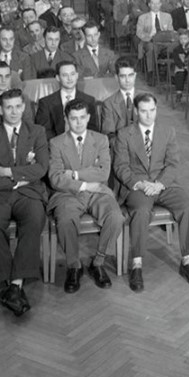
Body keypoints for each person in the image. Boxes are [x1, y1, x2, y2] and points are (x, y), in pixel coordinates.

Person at [112, 93, 189, 291]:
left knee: (187, 206)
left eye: (152, 110)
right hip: (138, 186)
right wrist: (142, 184)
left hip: (163, 184)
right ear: (136, 111)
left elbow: (172, 163)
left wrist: (159, 184)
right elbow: (120, 167)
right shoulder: (124, 134)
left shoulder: (167, 131)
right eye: (143, 111)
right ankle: (137, 264)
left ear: (156, 110)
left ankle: (187, 261)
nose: (148, 115)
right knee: (142, 211)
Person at [0, 89, 48, 318]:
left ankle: (14, 284)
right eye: (8, 107)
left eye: (18, 106)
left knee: (35, 218)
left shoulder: (36, 132)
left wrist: (7, 171)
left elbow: (40, 168)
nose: (14, 111)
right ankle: (9, 282)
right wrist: (16, 180)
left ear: (24, 107)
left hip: (28, 193)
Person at [46, 100, 121, 293]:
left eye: (82, 118)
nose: (78, 123)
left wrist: (74, 173)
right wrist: (85, 181)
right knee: (65, 220)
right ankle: (73, 266)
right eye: (73, 118)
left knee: (116, 217)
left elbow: (104, 173)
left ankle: (98, 262)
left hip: (98, 192)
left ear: (88, 118)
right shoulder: (55, 143)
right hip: (68, 194)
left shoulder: (101, 140)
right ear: (66, 119)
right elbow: (55, 178)